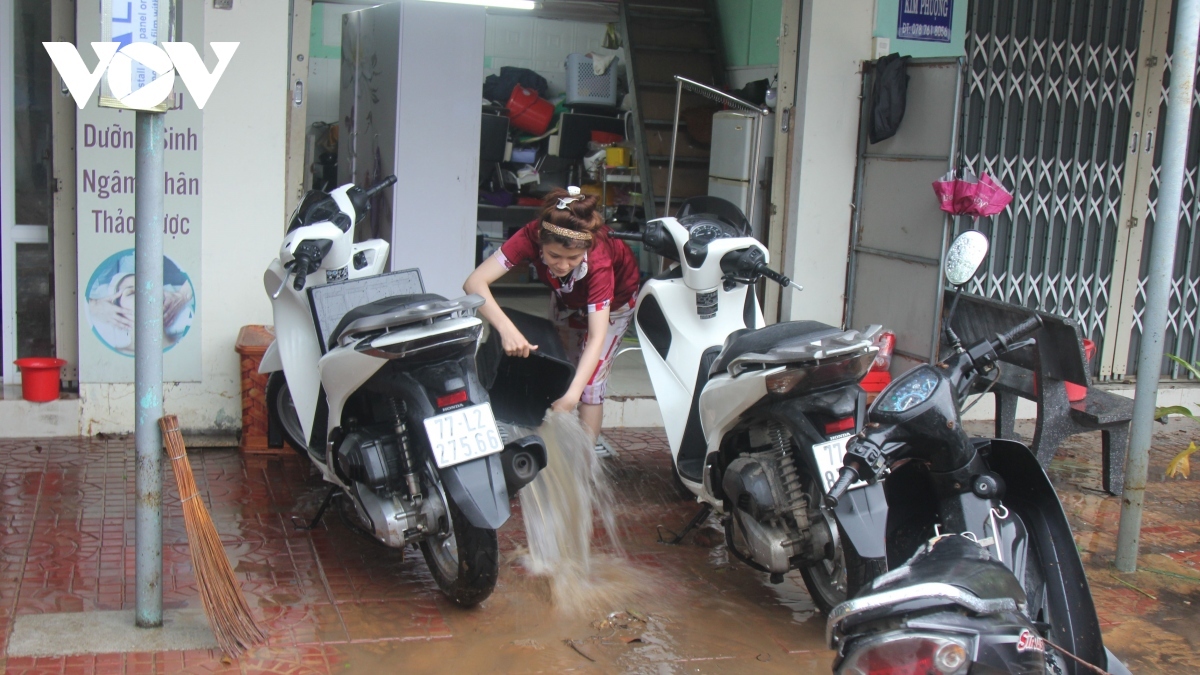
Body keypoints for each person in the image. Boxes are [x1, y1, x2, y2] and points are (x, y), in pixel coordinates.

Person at [464, 186, 640, 445]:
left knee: (588, 384)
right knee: (558, 367)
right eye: (554, 255)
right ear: (540, 241)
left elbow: (596, 337)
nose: (563, 264)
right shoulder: (529, 236)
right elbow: (474, 283)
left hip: (615, 304)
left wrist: (572, 397)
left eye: (573, 258)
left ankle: (583, 470)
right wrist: (507, 329)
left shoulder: (599, 262)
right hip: (566, 296)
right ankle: (547, 451)